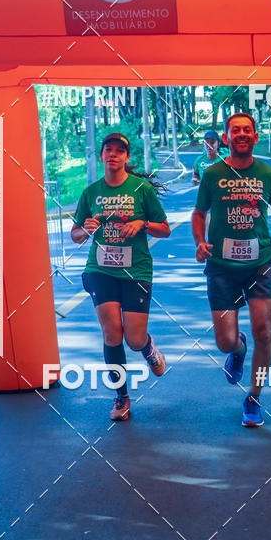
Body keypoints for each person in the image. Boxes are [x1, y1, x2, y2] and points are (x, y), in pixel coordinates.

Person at [192, 113, 271, 427]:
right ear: (226, 138)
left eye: (247, 130)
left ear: (255, 137)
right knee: (225, 341)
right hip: (221, 267)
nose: (241, 134)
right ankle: (238, 348)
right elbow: (199, 213)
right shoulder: (212, 175)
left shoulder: (267, 173)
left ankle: (254, 397)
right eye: (235, 130)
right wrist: (199, 240)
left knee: (265, 332)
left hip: (260, 263)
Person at [71, 132, 171, 421]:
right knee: (112, 332)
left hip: (135, 271)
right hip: (100, 270)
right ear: (101, 156)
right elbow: (76, 235)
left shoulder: (141, 189)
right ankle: (121, 397)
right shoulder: (91, 192)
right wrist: (86, 230)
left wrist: (142, 223)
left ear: (127, 158)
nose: (113, 154)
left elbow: (165, 229)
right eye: (108, 150)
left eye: (119, 151)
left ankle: (148, 347)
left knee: (134, 339)